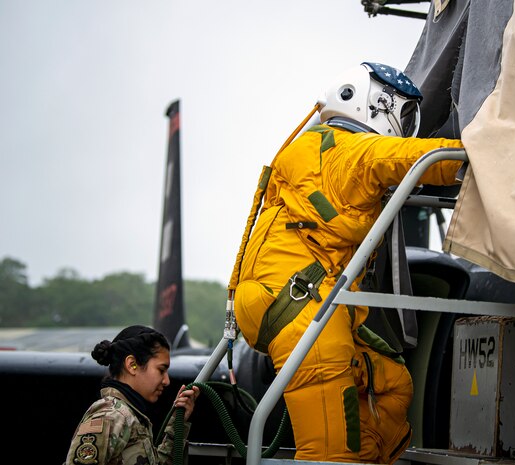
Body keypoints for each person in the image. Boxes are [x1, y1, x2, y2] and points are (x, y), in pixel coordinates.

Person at [230, 62, 465, 463]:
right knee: (332, 455)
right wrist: (485, 156)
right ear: (378, 106)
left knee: (393, 382)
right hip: (304, 309)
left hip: (280, 300)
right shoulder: (354, 151)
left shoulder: (309, 148)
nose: (406, 125)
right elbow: (416, 156)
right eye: (404, 114)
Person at [65, 325, 200, 465]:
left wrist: (178, 422)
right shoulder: (110, 416)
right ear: (132, 365)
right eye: (161, 370)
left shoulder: (130, 418)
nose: (167, 381)